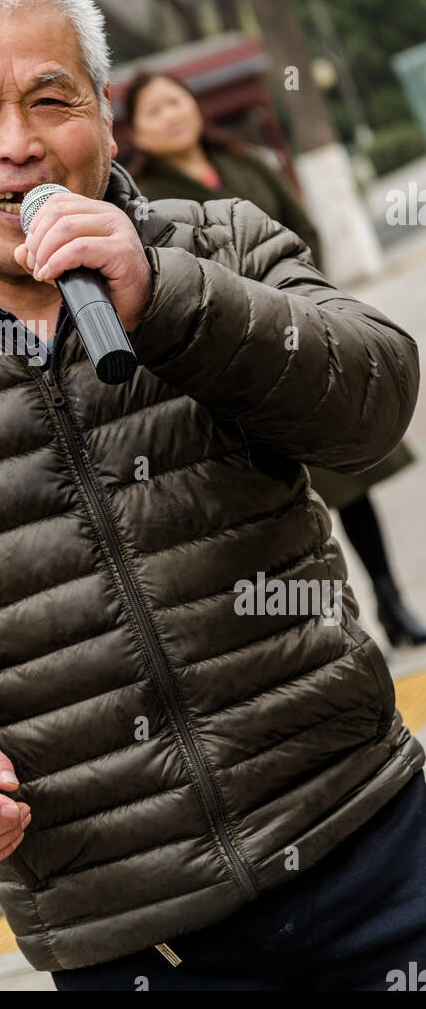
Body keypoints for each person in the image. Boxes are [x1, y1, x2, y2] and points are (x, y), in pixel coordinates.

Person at [0, 0, 426, 990]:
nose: (18, 140)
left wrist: (167, 294)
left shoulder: (222, 247)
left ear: (107, 122)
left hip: (370, 848)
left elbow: (373, 403)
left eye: (51, 98)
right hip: (132, 936)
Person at [121, 69, 426, 650]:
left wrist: (307, 302)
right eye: (155, 111)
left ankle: (391, 602)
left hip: (300, 341)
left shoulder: (244, 162)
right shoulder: (144, 199)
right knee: (283, 508)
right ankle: (331, 631)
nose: (172, 115)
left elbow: (301, 226)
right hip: (230, 365)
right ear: (135, 131)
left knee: (351, 489)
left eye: (177, 100)